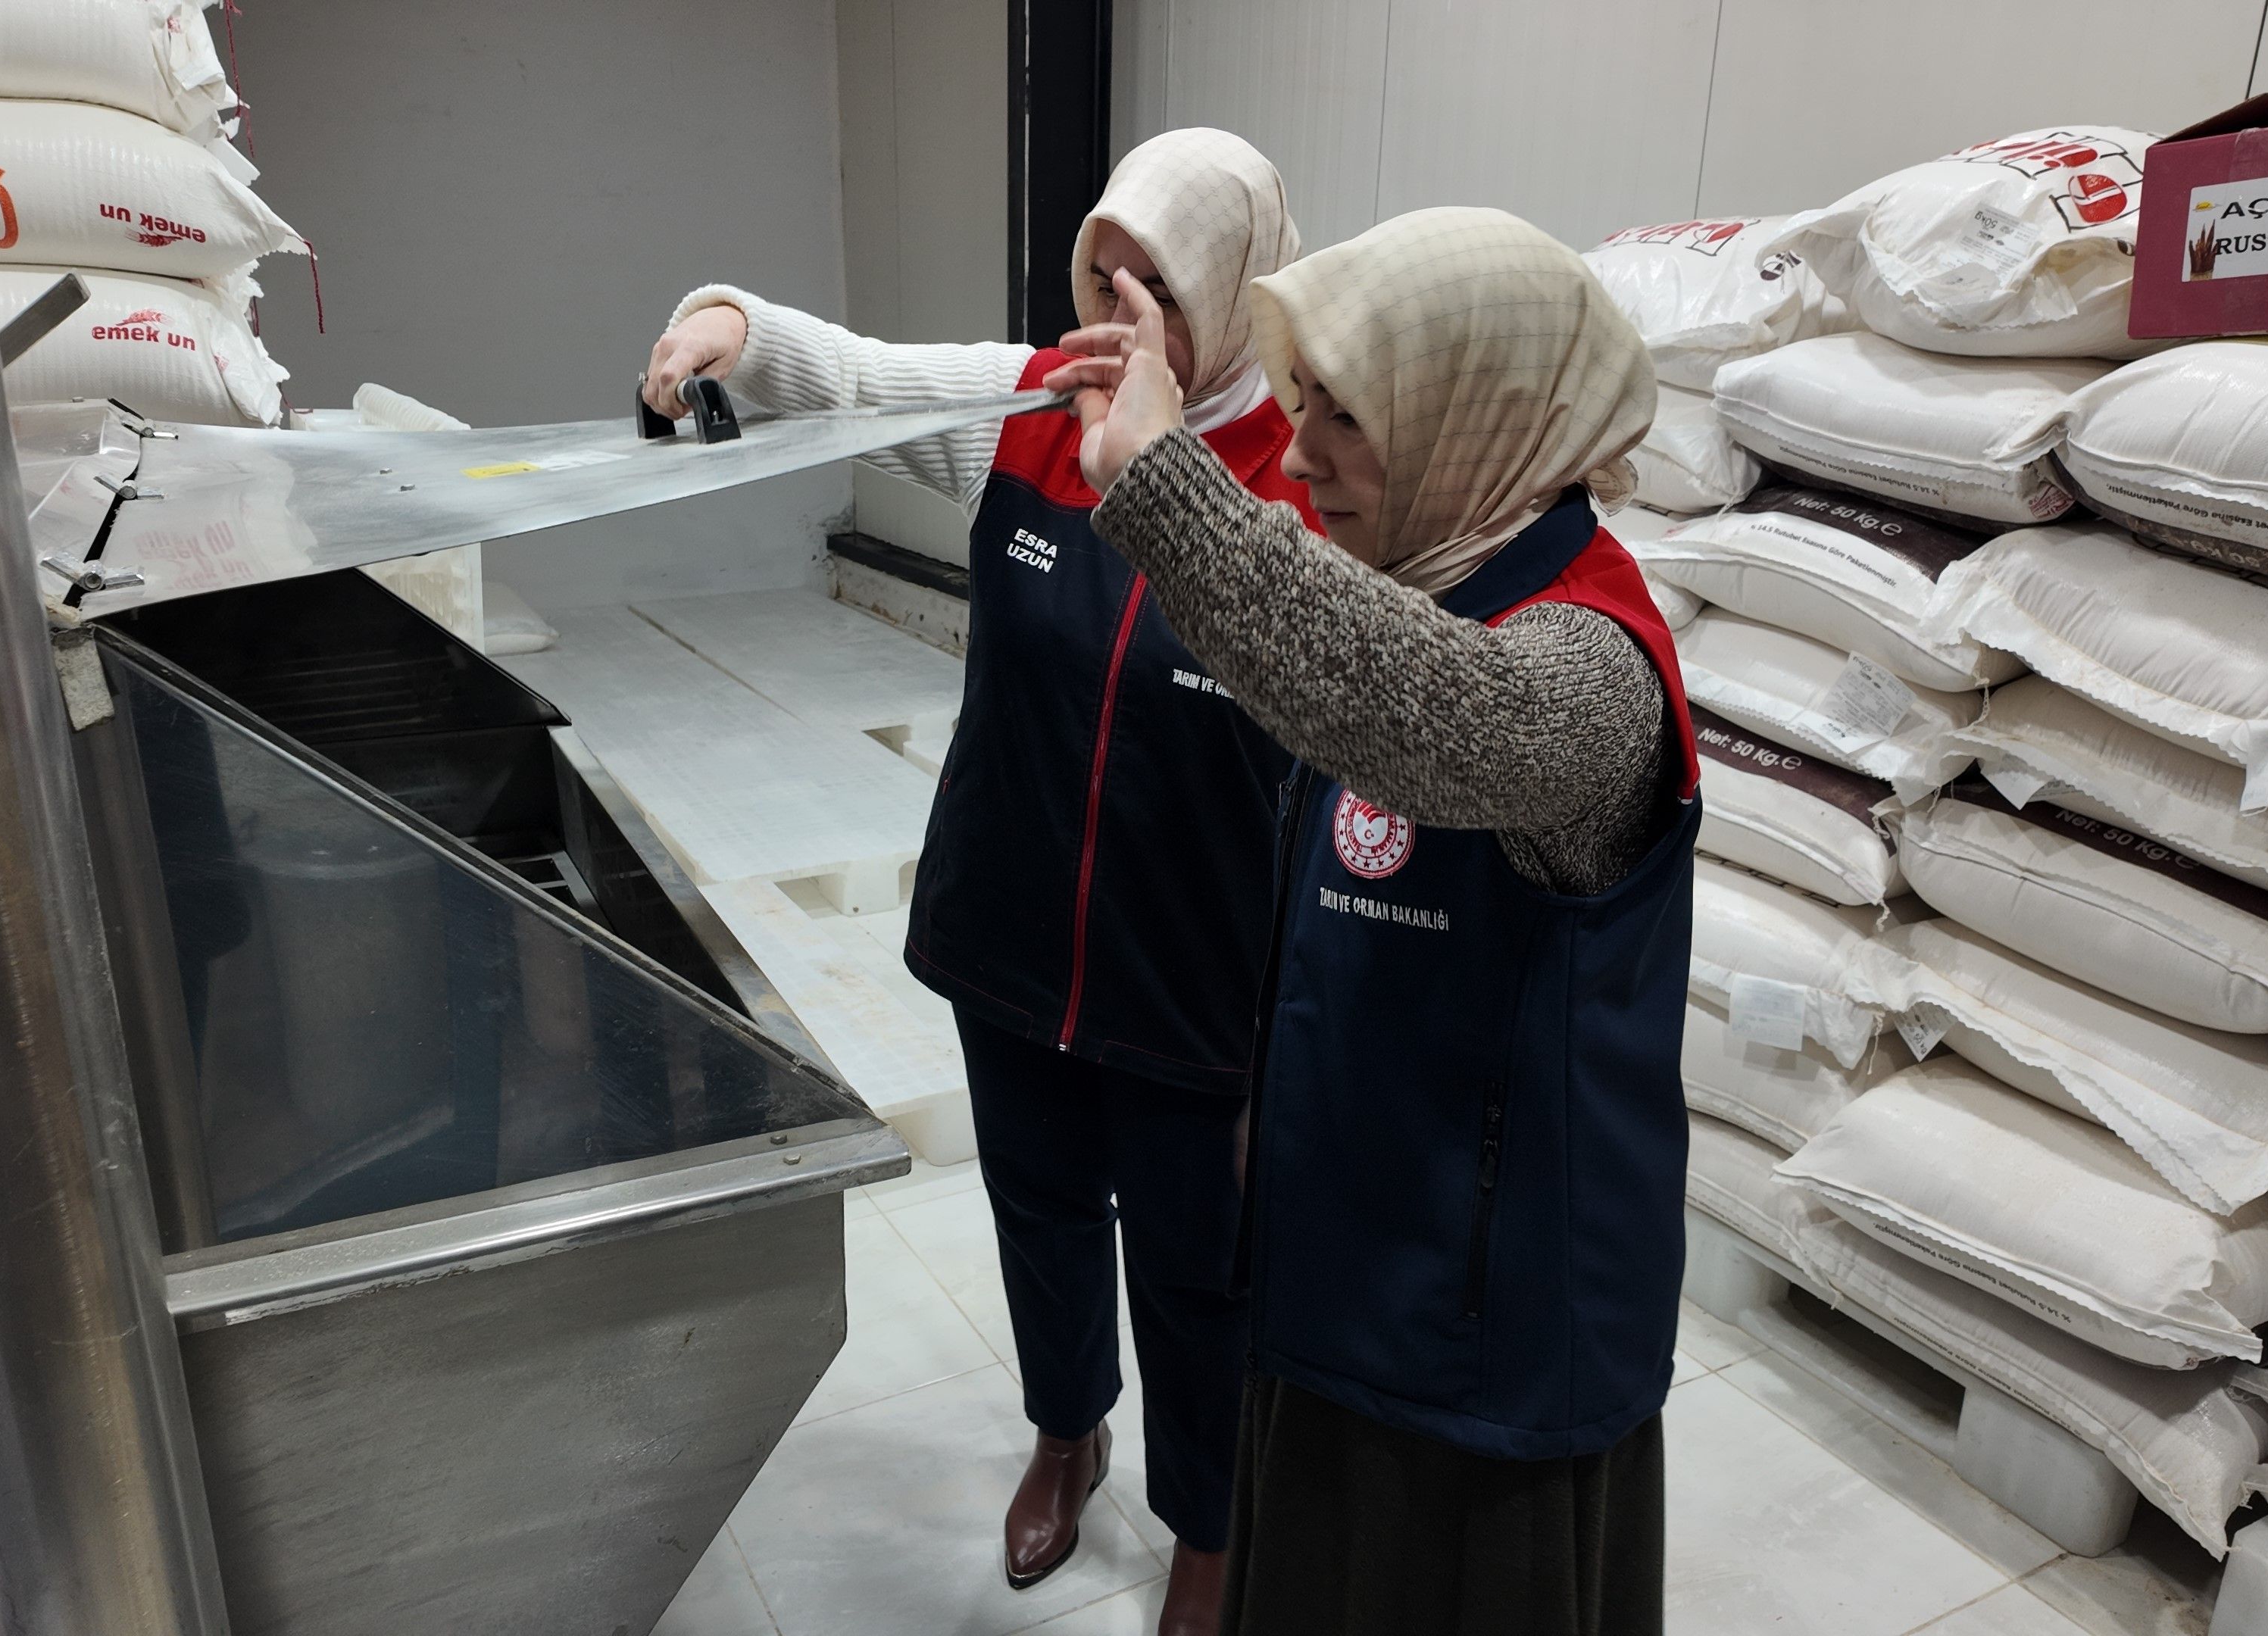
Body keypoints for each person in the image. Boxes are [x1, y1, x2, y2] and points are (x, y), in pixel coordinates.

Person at [640, 130, 1313, 1634]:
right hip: (1012, 935)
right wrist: (730, 325)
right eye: (1100, 275)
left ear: (1234, 294)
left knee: (1201, 1268)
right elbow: (862, 378)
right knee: (1042, 1210)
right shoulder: (1032, 412)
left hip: (1193, 972)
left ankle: (1211, 1524)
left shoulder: (1299, 478)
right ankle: (1067, 1433)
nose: (1116, 315)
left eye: (1157, 288)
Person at [1051, 208, 1690, 1634]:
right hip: (1345, 1275)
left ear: (1481, 417)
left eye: (1350, 417)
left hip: (1491, 1353)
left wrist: (1163, 481)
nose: (1299, 458)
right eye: (1301, 408)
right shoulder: (1413, 577)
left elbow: (1437, 714)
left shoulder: (1590, 664)